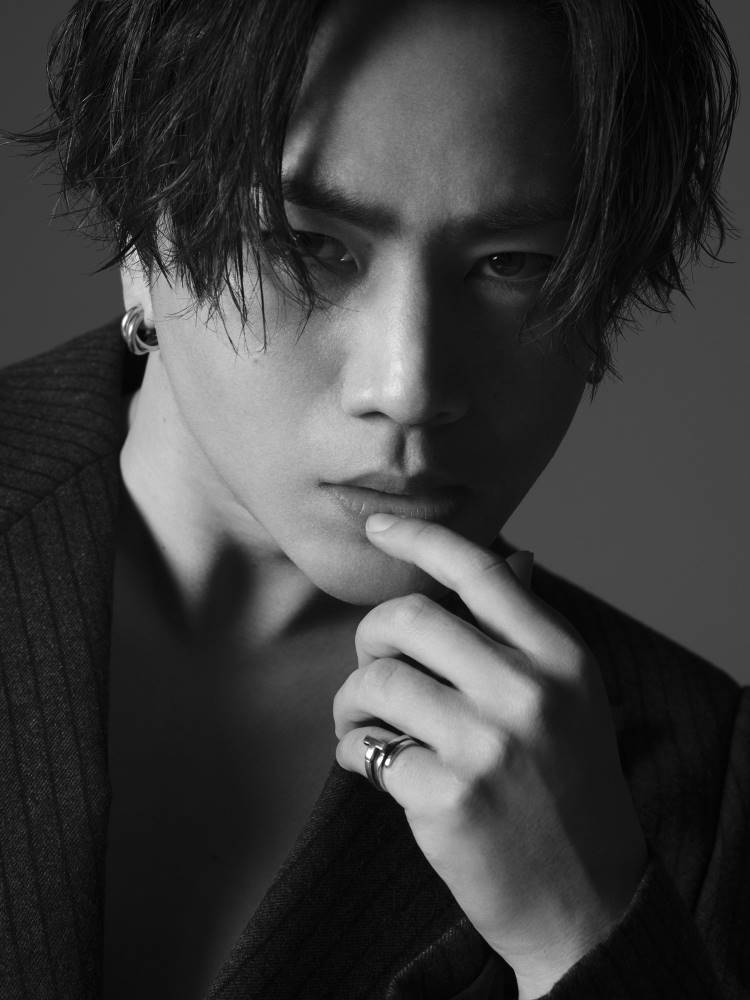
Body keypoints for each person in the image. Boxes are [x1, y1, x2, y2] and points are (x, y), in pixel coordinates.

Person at [0, 1, 745, 998]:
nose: (409, 384)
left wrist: (584, 932)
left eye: (514, 263)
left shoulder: (697, 780)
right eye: (309, 245)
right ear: (142, 238)